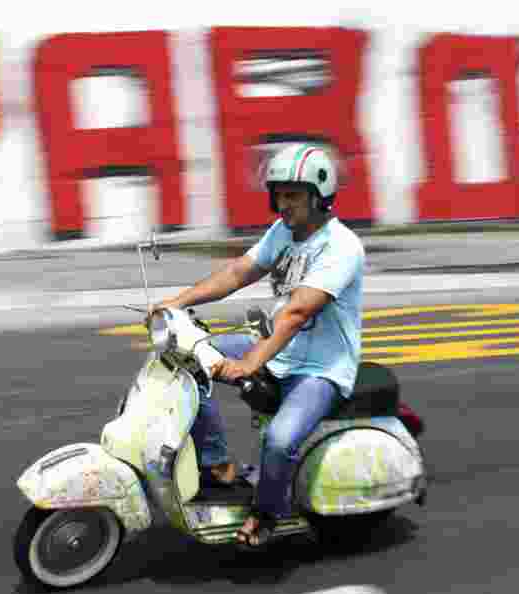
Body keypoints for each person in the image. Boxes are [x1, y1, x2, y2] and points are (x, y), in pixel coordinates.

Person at [148, 142, 365, 548]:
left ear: (319, 196)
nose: (283, 204)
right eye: (278, 195)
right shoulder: (283, 233)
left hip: (320, 369)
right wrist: (177, 303)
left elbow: (298, 312)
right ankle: (217, 465)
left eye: (293, 195)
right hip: (277, 351)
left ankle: (268, 512)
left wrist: (250, 361)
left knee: (281, 440)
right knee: (187, 360)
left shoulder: (342, 247)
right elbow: (238, 272)